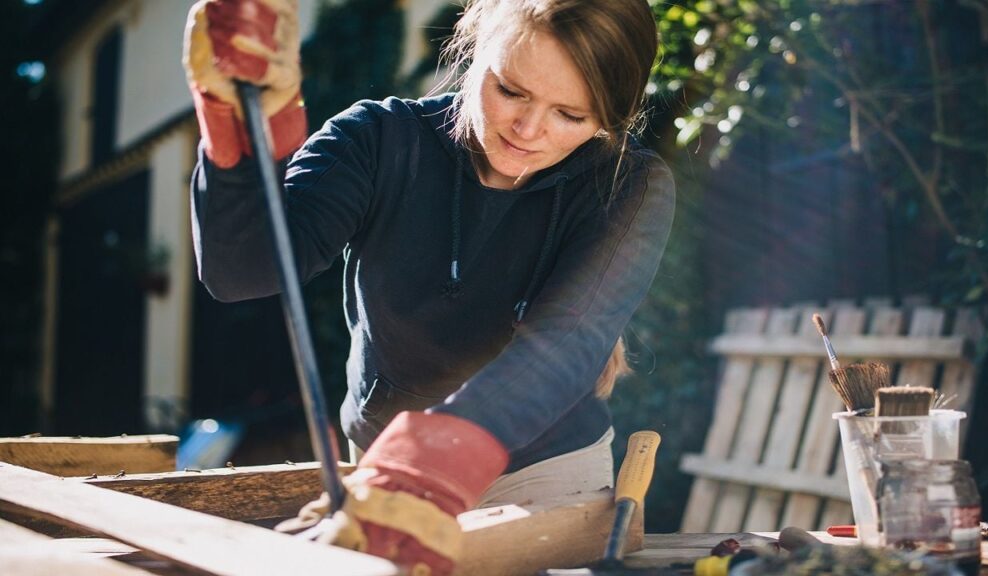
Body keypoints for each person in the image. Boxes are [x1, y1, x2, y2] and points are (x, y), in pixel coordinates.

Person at [183, 0, 674, 573]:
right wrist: (236, 131)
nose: (529, 129)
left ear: (610, 118)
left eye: (571, 114)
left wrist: (424, 462)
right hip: (384, 464)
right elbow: (243, 270)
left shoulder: (630, 186)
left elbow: (563, 347)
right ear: (474, 52)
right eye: (511, 91)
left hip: (548, 474)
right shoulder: (378, 138)